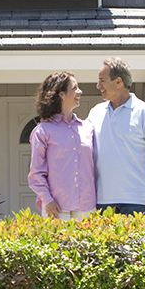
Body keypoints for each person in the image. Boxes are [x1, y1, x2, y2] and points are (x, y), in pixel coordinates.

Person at [86, 57, 145, 217]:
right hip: (102, 201)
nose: (98, 86)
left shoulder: (144, 112)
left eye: (102, 80)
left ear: (118, 82)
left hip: (137, 201)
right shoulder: (95, 113)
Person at [28, 71, 96, 220]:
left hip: (87, 207)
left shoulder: (88, 128)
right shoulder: (43, 131)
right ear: (62, 95)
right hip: (57, 208)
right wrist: (47, 200)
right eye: (75, 87)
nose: (80, 91)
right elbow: (36, 173)